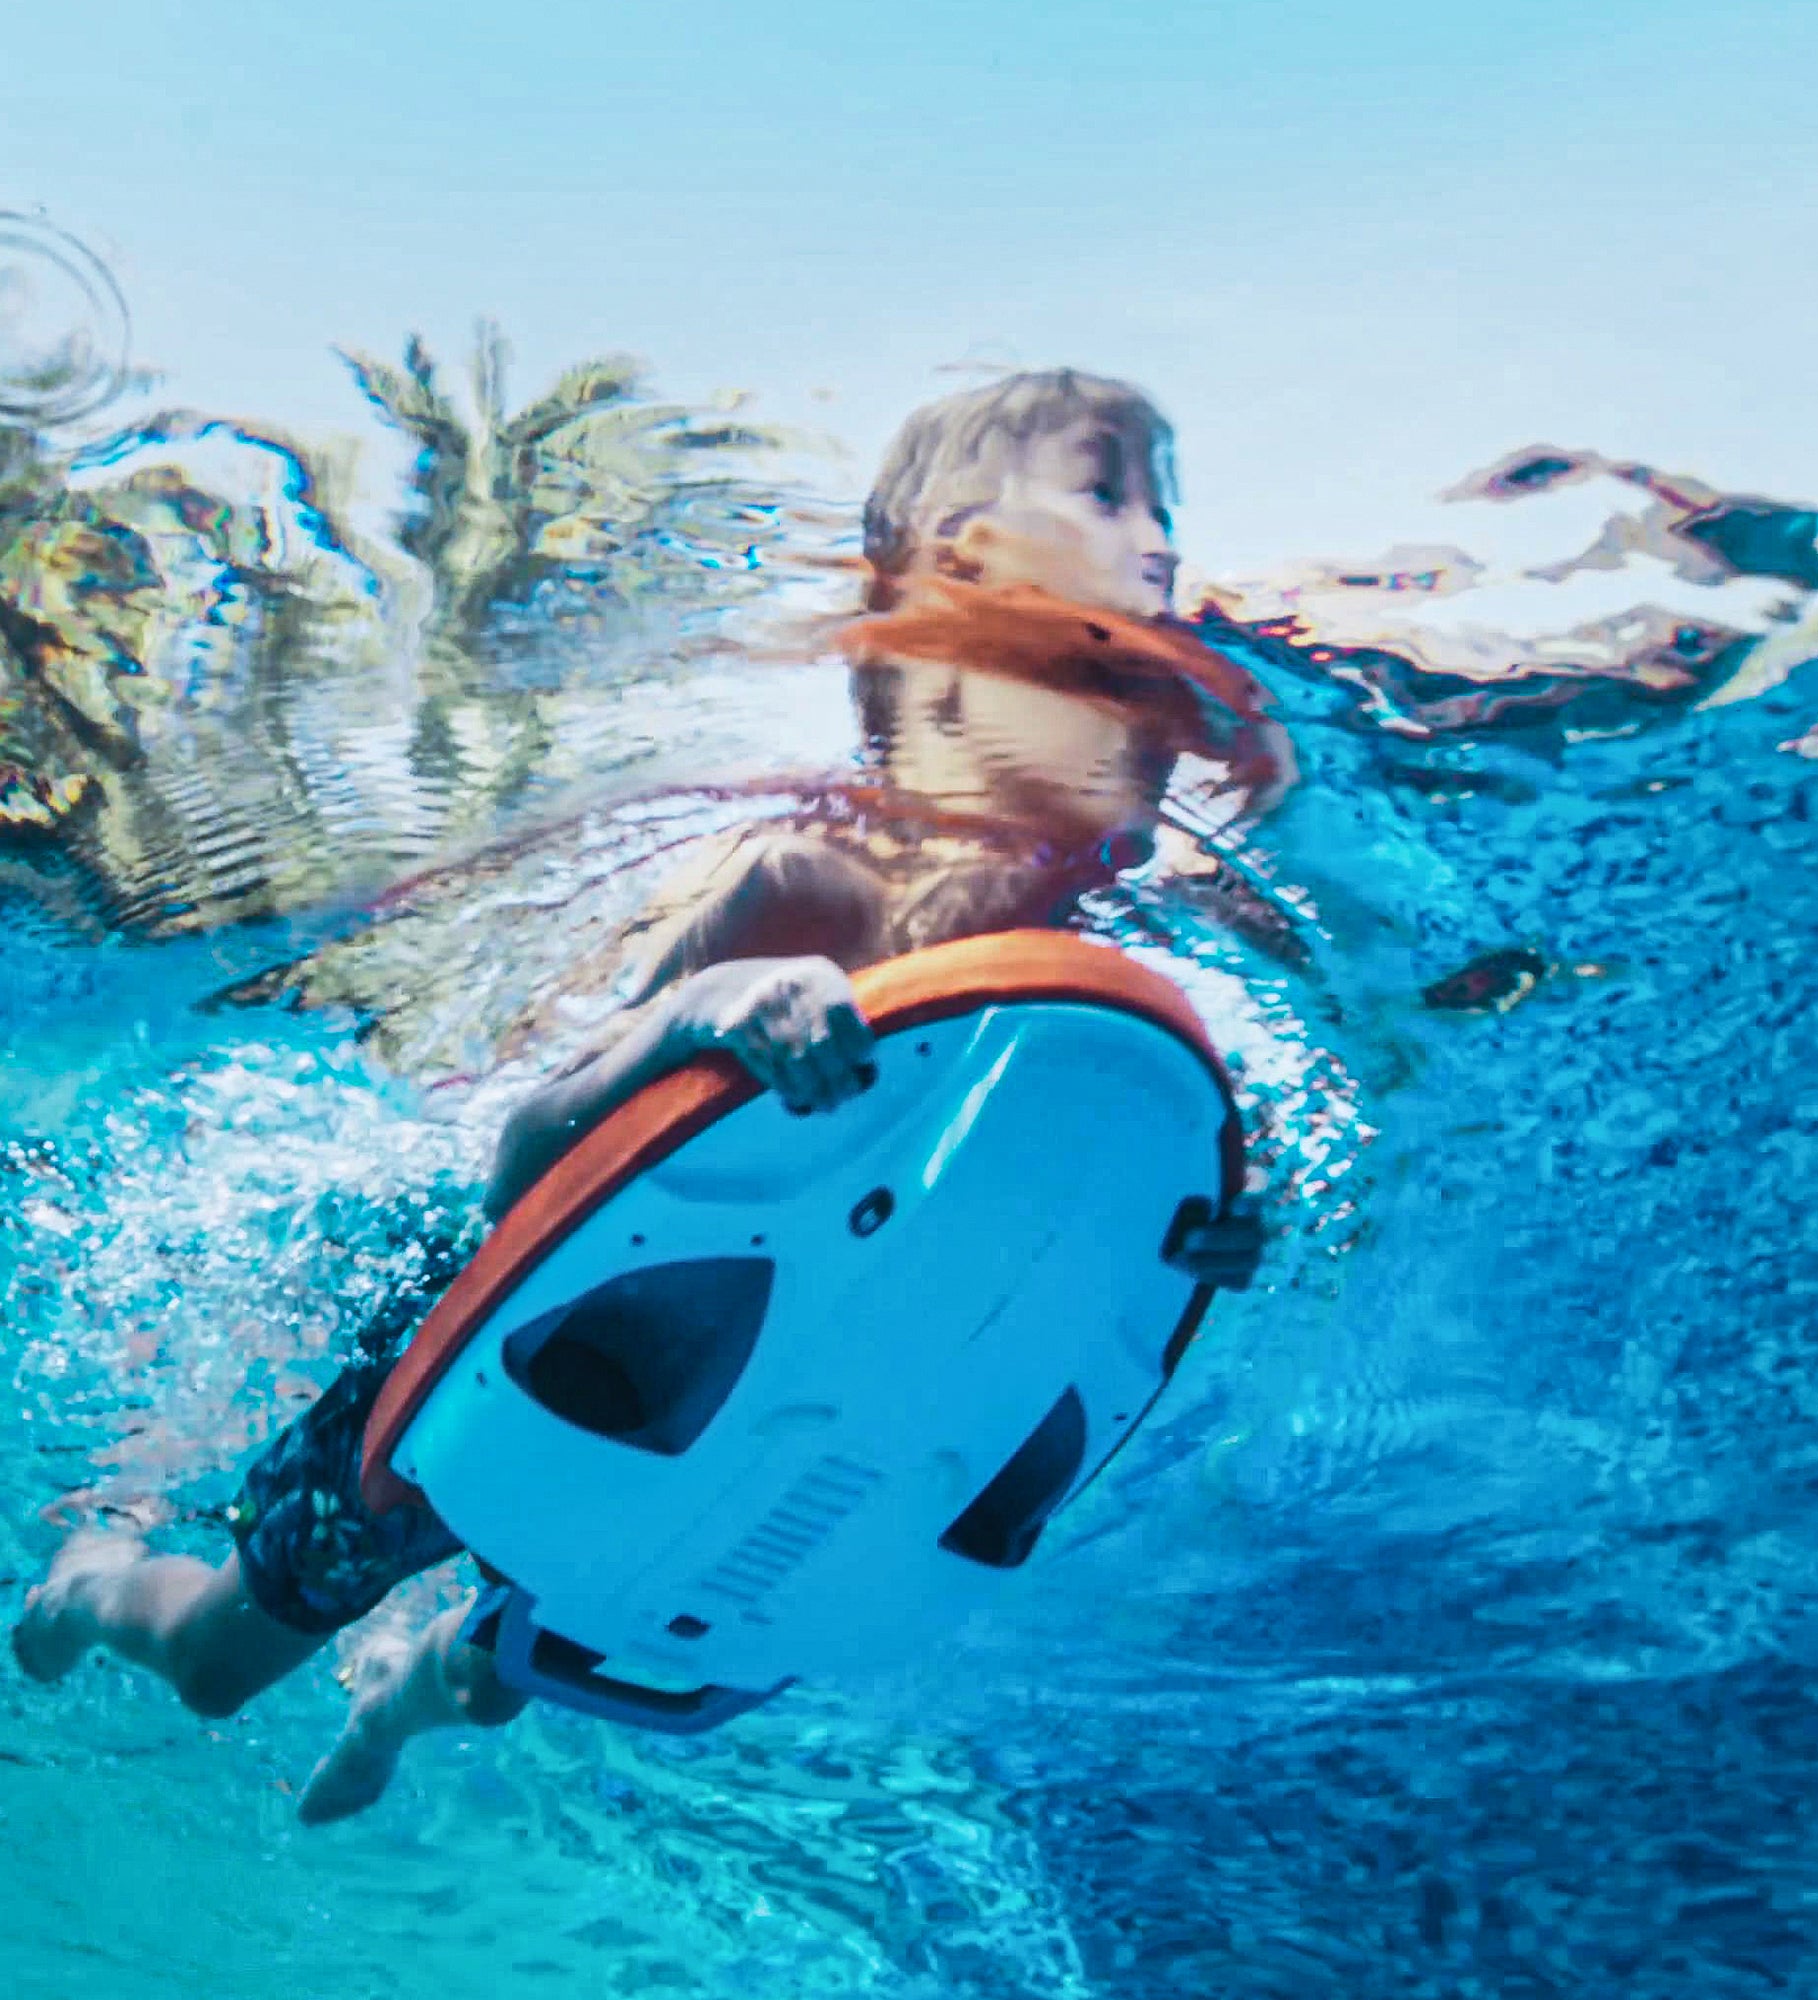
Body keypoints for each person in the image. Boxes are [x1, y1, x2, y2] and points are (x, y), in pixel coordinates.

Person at [12, 369, 1286, 1823]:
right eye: (1108, 491)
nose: (1163, 542)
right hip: (501, 1329)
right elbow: (527, 1165)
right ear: (961, 552)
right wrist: (697, 1009)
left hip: (716, 1375)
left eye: (1165, 507)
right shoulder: (804, 885)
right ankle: (95, 1578)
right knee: (221, 1660)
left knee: (555, 1640)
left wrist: (1199, 1238)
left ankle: (406, 1694)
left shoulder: (1091, 945)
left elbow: (1041, 1248)